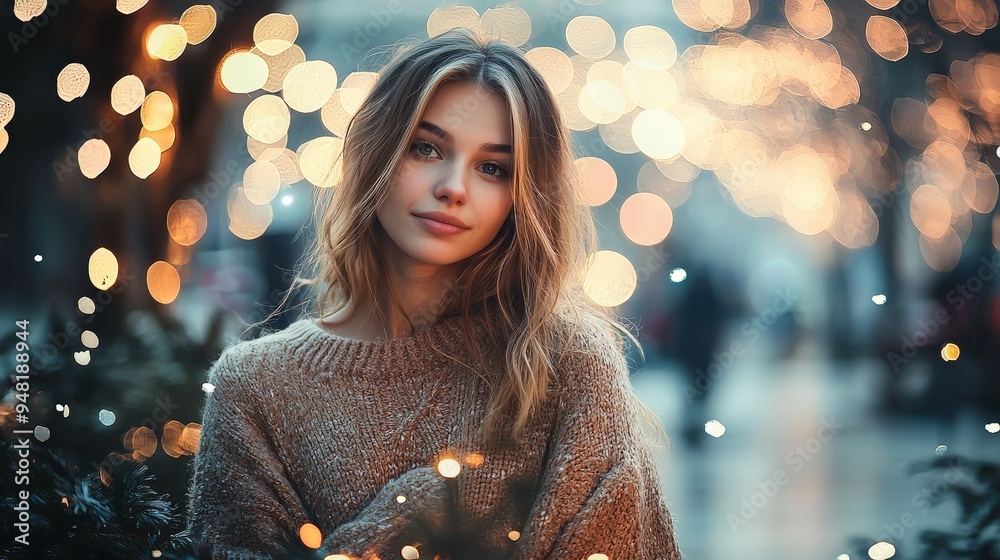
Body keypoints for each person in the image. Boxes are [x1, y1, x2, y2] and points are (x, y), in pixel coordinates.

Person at [185, 28, 682, 560]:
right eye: (426, 148)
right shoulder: (254, 388)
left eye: (493, 168)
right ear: (375, 153)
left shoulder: (564, 364)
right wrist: (410, 514)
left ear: (521, 198)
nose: (454, 187)